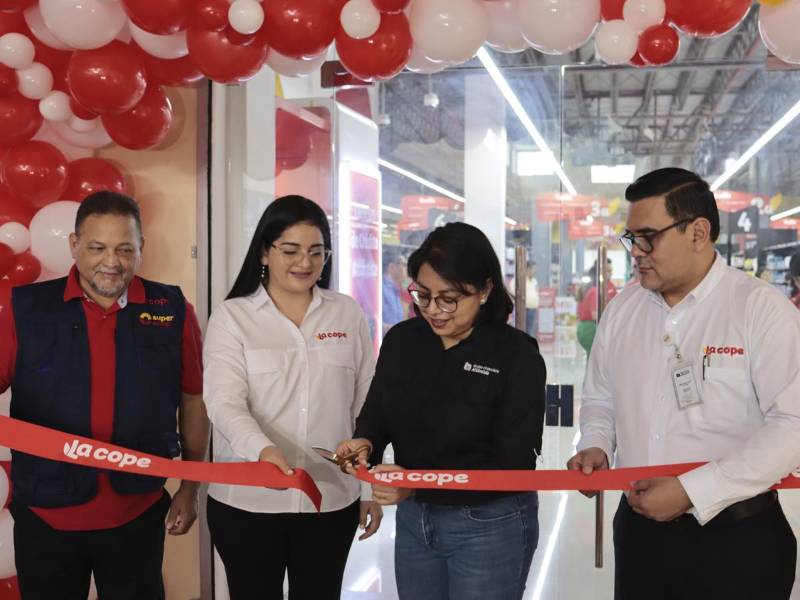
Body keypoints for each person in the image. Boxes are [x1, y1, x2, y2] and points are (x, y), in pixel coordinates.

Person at [567, 168, 800, 600]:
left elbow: (793, 425)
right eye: (631, 238)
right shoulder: (622, 311)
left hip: (739, 540)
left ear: (698, 232)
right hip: (640, 538)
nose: (636, 252)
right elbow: (602, 397)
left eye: (648, 238)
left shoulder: (760, 310)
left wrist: (693, 491)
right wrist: (597, 444)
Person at [0, 191, 208, 600]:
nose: (111, 262)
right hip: (45, 516)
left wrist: (190, 487)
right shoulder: (25, 308)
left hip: (137, 513)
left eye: (124, 249)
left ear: (141, 248)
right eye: (97, 248)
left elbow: (193, 400)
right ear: (74, 245)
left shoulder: (173, 310)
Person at [337, 222, 546, 600]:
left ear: (485, 290)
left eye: (449, 298)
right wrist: (364, 443)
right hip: (415, 520)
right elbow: (378, 412)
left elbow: (515, 460)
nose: (434, 310)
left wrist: (415, 481)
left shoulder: (516, 355)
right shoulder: (403, 341)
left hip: (489, 523)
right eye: (423, 295)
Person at [203, 195, 382, 600]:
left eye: (317, 252)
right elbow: (224, 402)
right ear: (264, 252)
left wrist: (368, 488)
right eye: (291, 250)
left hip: (330, 500)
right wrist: (263, 450)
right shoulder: (232, 317)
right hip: (248, 503)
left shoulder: (346, 313)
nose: (305, 262)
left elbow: (367, 404)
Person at [576, 257, 617, 356]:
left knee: (594, 358)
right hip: (591, 327)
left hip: (596, 326)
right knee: (596, 358)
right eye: (607, 271)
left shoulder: (610, 286)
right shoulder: (594, 290)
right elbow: (595, 314)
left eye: (611, 270)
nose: (610, 273)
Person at [382, 246, 407, 335]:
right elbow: (371, 320)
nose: (406, 268)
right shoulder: (381, 289)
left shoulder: (395, 289)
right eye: (403, 264)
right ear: (392, 267)